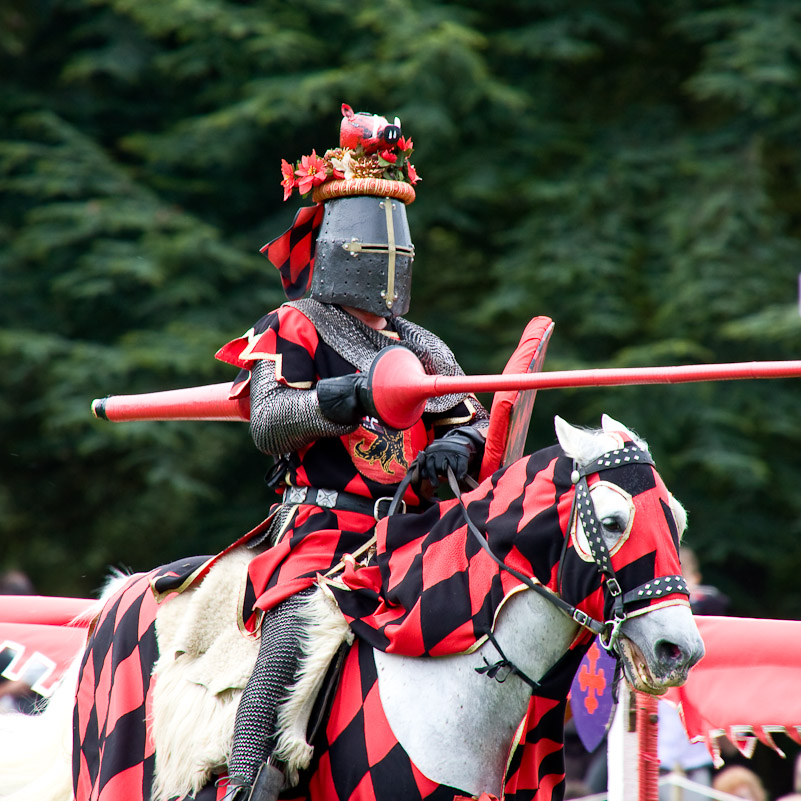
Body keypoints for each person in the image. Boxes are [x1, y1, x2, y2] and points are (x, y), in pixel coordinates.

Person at [216, 107, 489, 801]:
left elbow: (477, 422)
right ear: (339, 237)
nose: (386, 249)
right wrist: (349, 395)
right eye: (370, 228)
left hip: (414, 531)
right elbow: (270, 422)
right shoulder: (293, 324)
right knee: (292, 634)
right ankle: (250, 779)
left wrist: (455, 444)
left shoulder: (423, 344)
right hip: (322, 528)